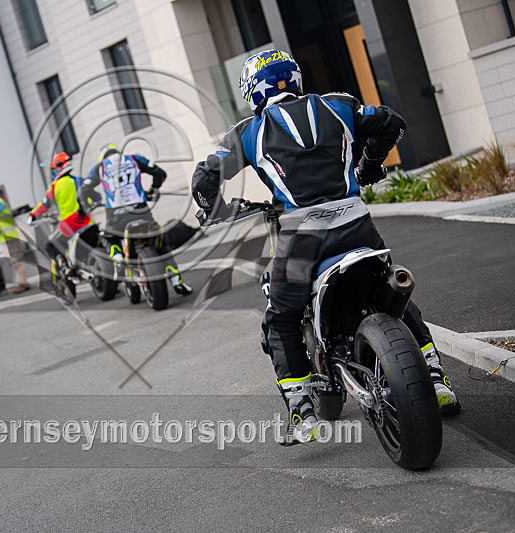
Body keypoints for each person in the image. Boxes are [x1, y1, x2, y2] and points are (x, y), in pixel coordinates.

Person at [191, 49, 459, 444]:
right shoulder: (339, 105)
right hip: (357, 228)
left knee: (281, 316)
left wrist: (214, 209)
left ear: (253, 91)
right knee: (389, 292)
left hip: (302, 241)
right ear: (295, 79)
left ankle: (301, 409)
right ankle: (435, 376)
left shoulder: (250, 130)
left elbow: (206, 176)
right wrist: (369, 165)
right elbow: (390, 121)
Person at [83, 144, 192, 296]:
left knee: (107, 236)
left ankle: (118, 258)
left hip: (116, 217)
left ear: (103, 157)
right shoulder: (133, 159)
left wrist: (88, 204)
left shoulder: (99, 167)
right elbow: (160, 174)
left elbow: (84, 190)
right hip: (141, 212)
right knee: (161, 245)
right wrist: (153, 189)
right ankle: (177, 282)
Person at [29, 152, 100, 268]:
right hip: (88, 223)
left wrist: (33, 215)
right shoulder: (79, 181)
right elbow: (96, 197)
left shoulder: (55, 186)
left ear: (57, 168)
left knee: (50, 246)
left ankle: (64, 266)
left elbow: (44, 205)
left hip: (69, 226)